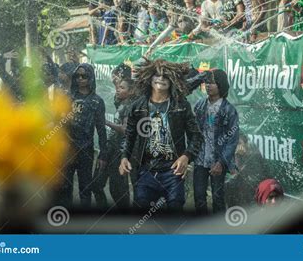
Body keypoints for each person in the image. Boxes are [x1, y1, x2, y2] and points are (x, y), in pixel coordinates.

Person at [119, 59, 203, 212]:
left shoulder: (181, 106)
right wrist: (124, 156)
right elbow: (129, 135)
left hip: (173, 172)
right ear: (149, 78)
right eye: (157, 75)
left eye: (166, 76)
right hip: (146, 171)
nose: (161, 79)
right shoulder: (138, 107)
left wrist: (186, 156)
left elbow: (196, 136)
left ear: (172, 81)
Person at [61, 63, 107, 208]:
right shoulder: (67, 98)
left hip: (86, 151)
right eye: (77, 76)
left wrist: (103, 155)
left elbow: (101, 129)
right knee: (65, 188)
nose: (80, 79)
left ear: (91, 78)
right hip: (67, 150)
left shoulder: (97, 101)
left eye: (84, 76)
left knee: (85, 189)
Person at [193, 69, 239, 214]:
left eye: (212, 82)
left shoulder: (229, 110)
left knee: (218, 198)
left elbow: (232, 140)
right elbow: (193, 133)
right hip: (200, 159)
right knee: (199, 197)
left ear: (221, 85)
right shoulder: (199, 106)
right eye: (206, 82)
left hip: (218, 161)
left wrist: (221, 162)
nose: (208, 85)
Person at [92, 78, 133, 209]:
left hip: (119, 152)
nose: (118, 90)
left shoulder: (131, 107)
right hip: (108, 149)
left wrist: (107, 122)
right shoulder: (120, 103)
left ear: (131, 91)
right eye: (118, 87)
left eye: (122, 88)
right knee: (96, 184)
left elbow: (126, 129)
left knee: (118, 190)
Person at [225, 133, 271, 207]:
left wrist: (239, 156)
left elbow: (253, 175)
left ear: (246, 143)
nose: (237, 146)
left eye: (239, 143)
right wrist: (237, 156)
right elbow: (234, 173)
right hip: (243, 181)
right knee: (229, 184)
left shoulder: (253, 154)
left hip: (255, 183)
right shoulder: (235, 152)